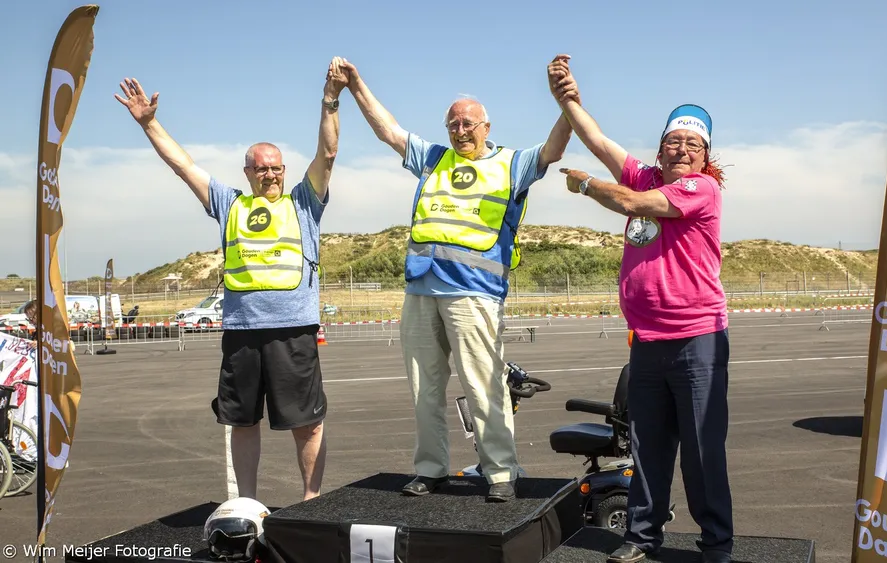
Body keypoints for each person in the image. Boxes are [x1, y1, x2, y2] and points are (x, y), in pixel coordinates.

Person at [338, 56, 573, 502]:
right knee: (424, 390)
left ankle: (500, 472)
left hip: (474, 294)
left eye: (468, 124)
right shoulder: (433, 158)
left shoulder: (511, 164)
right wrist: (356, 85)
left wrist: (566, 103)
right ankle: (430, 470)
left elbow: (553, 149)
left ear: (487, 127)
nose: (460, 131)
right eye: (453, 125)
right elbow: (388, 130)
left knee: (484, 386)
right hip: (421, 289)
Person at [115, 58, 350, 502]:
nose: (270, 174)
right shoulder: (229, 203)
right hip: (242, 333)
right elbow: (184, 166)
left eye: (276, 167)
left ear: (285, 170)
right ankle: (247, 503)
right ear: (247, 172)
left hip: (292, 331)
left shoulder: (304, 202)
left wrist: (330, 100)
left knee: (306, 423)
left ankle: (311, 502)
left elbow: (328, 153)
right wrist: (149, 124)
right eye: (261, 168)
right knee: (242, 422)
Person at [548, 57, 733, 563]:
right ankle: (642, 537)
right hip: (648, 342)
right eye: (674, 141)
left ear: (705, 156)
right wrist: (566, 98)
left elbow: (632, 204)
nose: (682, 150)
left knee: (701, 452)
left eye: (693, 144)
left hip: (697, 340)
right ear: (660, 147)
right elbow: (598, 141)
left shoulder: (702, 189)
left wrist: (587, 185)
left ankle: (716, 545)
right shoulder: (645, 176)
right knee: (648, 449)